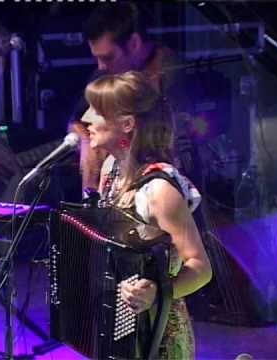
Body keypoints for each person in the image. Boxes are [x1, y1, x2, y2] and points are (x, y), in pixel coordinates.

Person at [82, 70, 212, 359]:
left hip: (159, 336)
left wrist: (157, 292)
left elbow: (201, 268)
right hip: (120, 326)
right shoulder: (109, 172)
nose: (86, 119)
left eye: (96, 111)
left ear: (127, 124)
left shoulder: (159, 191)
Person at [68, 2, 199, 196]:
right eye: (97, 58)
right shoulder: (104, 74)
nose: (101, 67)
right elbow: (76, 122)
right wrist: (88, 144)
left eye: (108, 57)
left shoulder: (171, 75)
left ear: (134, 43)